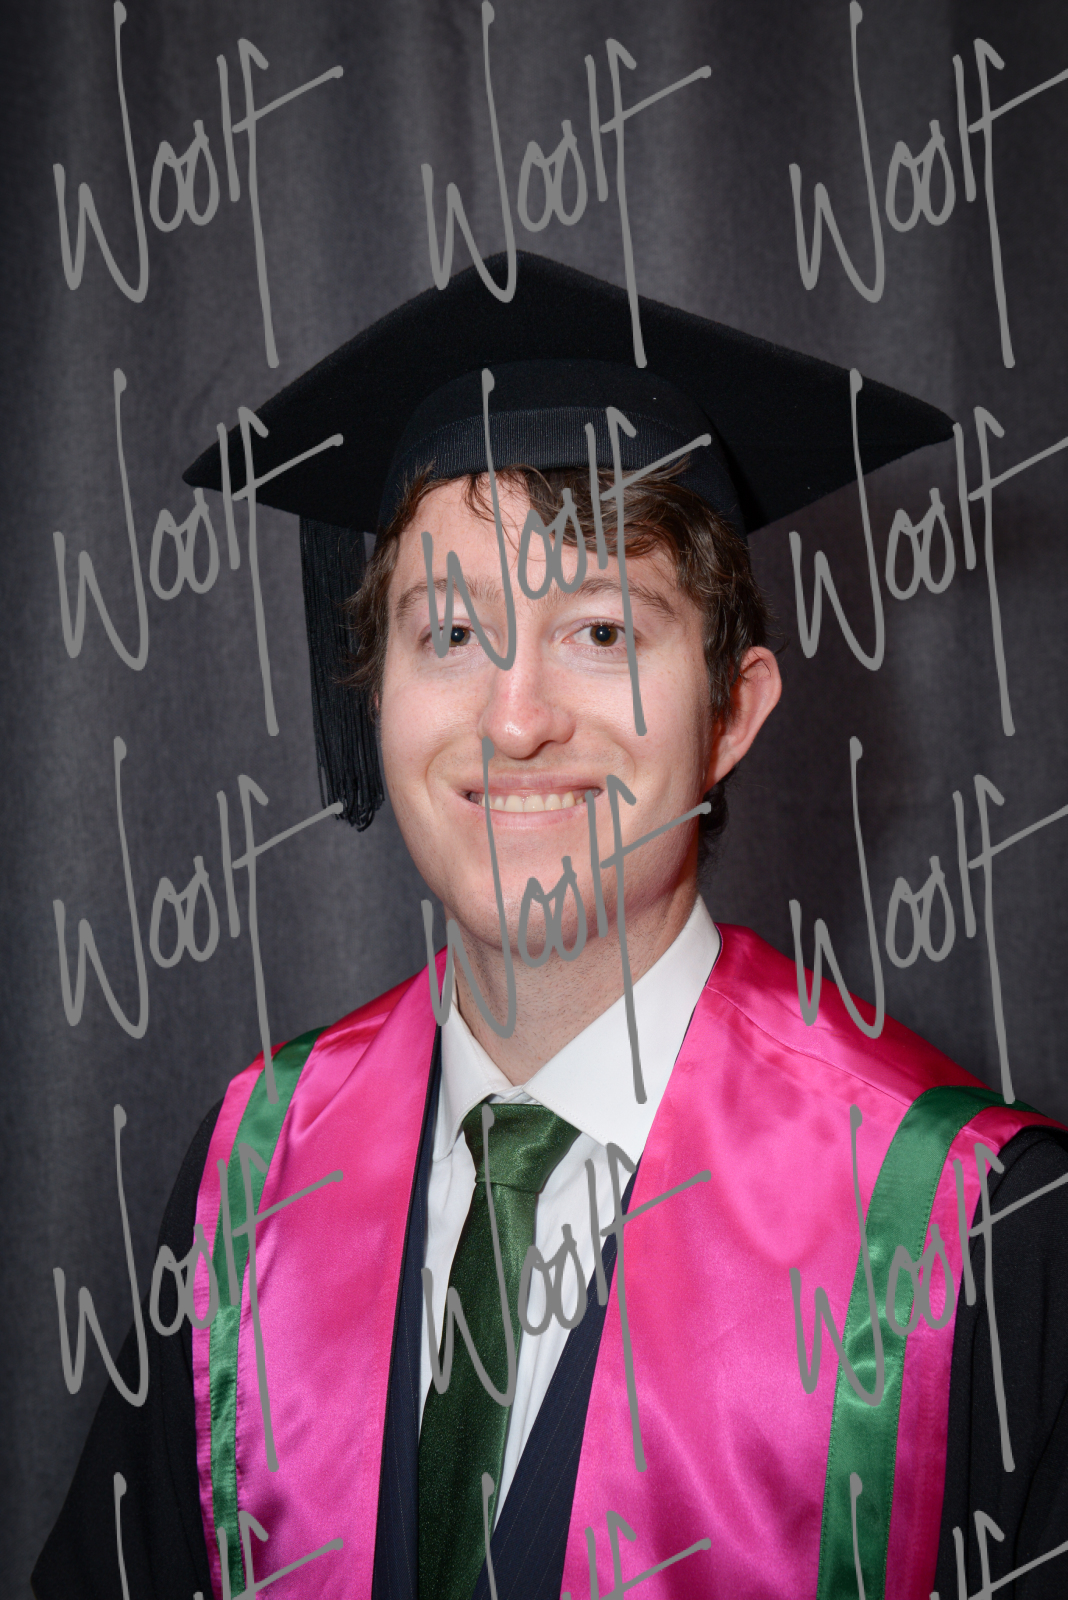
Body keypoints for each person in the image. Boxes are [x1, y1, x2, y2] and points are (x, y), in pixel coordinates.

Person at [34, 253, 1068, 1600]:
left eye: (600, 630)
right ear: (375, 697)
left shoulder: (969, 1232)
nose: (515, 719)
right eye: (450, 633)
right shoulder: (252, 1177)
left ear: (733, 713)